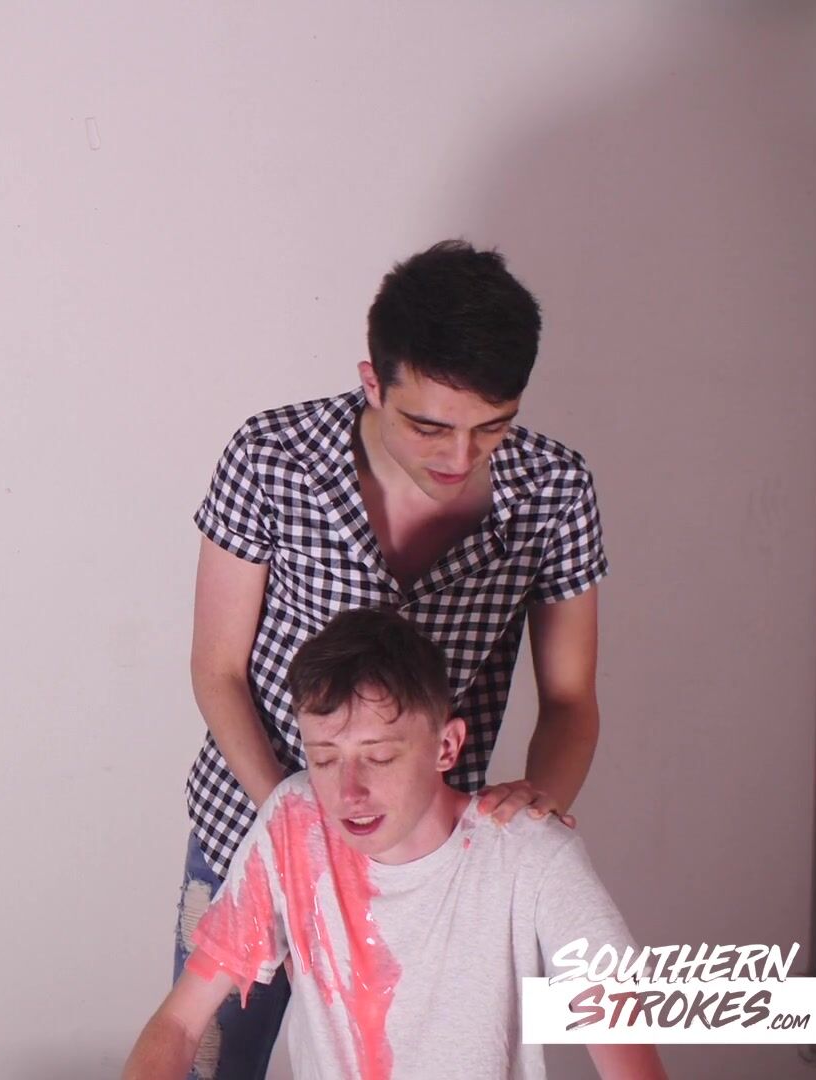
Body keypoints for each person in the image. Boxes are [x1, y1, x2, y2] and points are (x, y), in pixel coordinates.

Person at [182, 240, 609, 1077]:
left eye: (492, 427)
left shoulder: (556, 491)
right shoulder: (271, 457)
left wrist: (540, 806)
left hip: (429, 865)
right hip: (251, 825)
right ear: (373, 383)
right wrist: (296, 825)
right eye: (429, 426)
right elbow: (217, 669)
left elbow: (570, 699)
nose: (459, 457)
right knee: (213, 1061)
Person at [130, 608, 664, 1080]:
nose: (349, 793)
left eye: (380, 757)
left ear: (446, 746)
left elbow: (627, 1051)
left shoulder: (530, 853)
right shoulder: (295, 821)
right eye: (325, 759)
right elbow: (180, 1024)